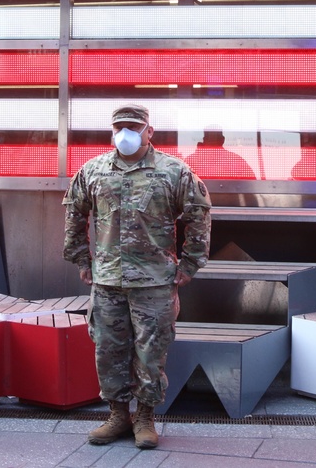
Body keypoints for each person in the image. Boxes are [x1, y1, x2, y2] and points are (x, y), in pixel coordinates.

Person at [63, 104, 212, 450]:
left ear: (149, 131)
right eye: (120, 127)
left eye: (133, 127)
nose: (125, 133)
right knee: (108, 350)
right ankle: (118, 415)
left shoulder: (174, 171)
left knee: (151, 353)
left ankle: (145, 417)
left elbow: (199, 216)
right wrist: (81, 259)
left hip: (155, 282)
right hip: (108, 281)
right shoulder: (94, 170)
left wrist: (190, 264)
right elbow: (74, 213)